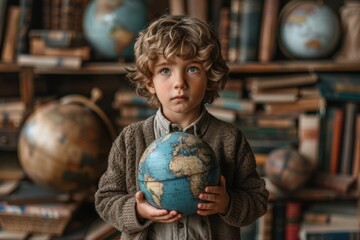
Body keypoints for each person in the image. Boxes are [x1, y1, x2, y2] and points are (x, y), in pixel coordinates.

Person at [95, 15, 269, 240]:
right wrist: (137, 210)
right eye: (165, 70)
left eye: (193, 69)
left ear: (209, 76)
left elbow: (257, 199)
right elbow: (106, 199)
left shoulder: (230, 139)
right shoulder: (131, 139)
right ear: (150, 82)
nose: (179, 82)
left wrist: (227, 203)